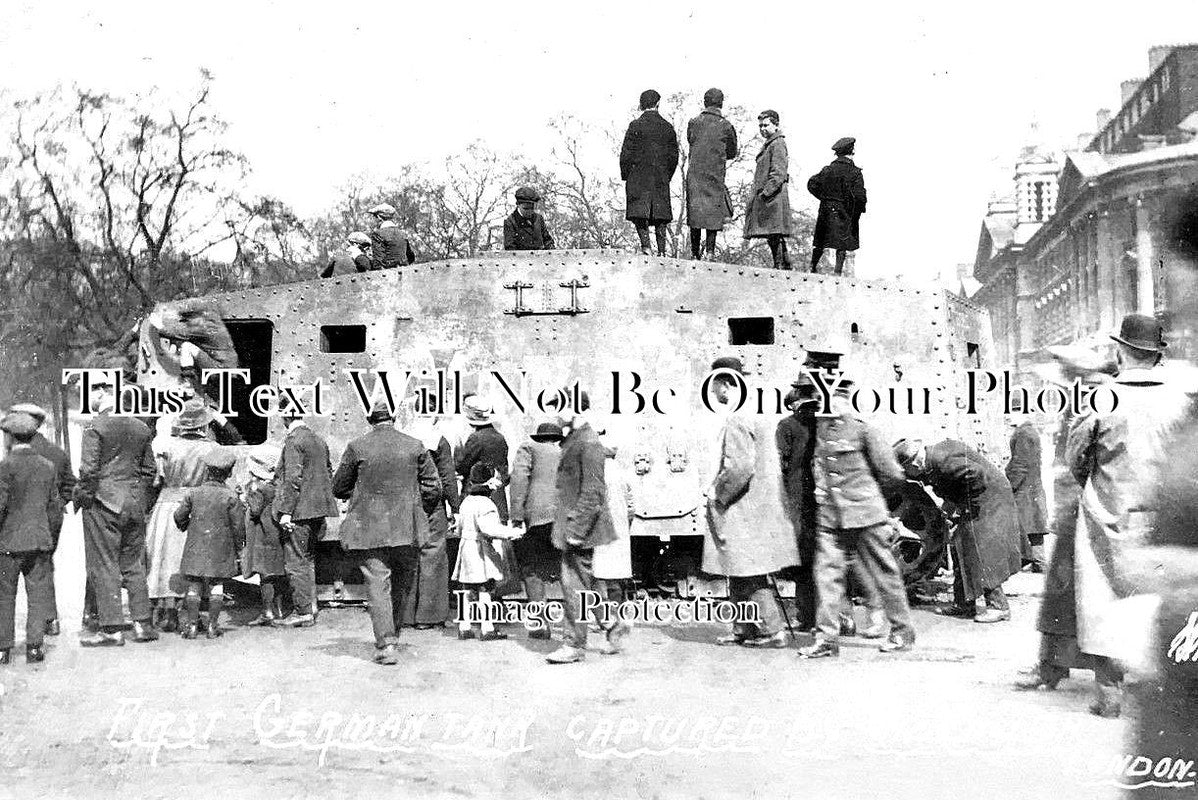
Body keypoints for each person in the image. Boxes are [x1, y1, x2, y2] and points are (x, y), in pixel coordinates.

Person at [1018, 314, 1189, 717]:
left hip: (1109, 513)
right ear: (1156, 356)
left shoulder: (1101, 400)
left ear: (1121, 351)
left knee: (1103, 600)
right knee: (1159, 598)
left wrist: (1099, 486)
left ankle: (1109, 693)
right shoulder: (1181, 400)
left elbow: (1076, 457)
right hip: (1165, 515)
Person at [797, 375, 915, 658]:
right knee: (826, 577)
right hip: (831, 518)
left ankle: (902, 632)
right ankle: (827, 640)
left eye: (827, 399)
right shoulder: (822, 430)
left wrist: (868, 498)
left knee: (884, 574)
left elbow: (892, 474)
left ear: (842, 399)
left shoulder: (864, 430)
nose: (823, 406)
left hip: (866, 515)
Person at [332, 400, 441, 664]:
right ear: (393, 418)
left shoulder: (357, 446)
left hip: (369, 527)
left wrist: (362, 494)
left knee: (378, 585)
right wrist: (415, 508)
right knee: (402, 584)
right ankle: (394, 635)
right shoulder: (415, 445)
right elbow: (433, 487)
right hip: (407, 527)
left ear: (370, 420)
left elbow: (339, 487)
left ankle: (386, 644)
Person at [702, 357, 799, 648]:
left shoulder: (737, 419)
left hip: (741, 507)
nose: (713, 392)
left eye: (715, 385)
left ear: (725, 384)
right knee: (739, 568)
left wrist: (717, 493)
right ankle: (743, 628)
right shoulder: (755, 413)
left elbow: (740, 468)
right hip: (757, 507)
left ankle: (771, 630)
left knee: (749, 571)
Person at [894, 437, 1021, 624]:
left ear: (914, 463)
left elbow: (976, 475)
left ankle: (998, 606)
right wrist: (951, 508)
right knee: (958, 546)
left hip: (987, 501)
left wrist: (965, 507)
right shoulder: (933, 459)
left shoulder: (941, 461)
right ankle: (963, 604)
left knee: (981, 552)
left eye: (908, 471)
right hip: (980, 499)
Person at [74, 373, 159, 647]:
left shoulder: (95, 427)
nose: (85, 399)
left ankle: (112, 628)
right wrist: (139, 500)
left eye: (86, 393)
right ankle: (143, 624)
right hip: (134, 503)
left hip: (103, 503)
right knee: (133, 564)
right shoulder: (141, 428)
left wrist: (85, 499)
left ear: (101, 392)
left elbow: (88, 472)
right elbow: (150, 471)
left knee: (104, 564)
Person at [546, 391, 627, 663]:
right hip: (573, 525)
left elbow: (594, 491)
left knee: (573, 586)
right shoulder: (576, 438)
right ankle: (612, 624)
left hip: (580, 528)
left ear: (575, 408)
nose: (554, 414)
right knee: (586, 583)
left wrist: (577, 530)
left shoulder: (588, 442)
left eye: (558, 407)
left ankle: (573, 645)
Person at [145, 399, 216, 633]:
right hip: (197, 505)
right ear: (203, 426)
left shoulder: (165, 447)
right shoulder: (211, 449)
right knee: (194, 558)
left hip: (166, 504)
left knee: (166, 558)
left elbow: (156, 480)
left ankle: (168, 611)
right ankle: (193, 613)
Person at [9, 402, 75, 637]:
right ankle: (50, 619)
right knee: (43, 566)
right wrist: (56, 505)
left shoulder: (15, 452)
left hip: (21, 520)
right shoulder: (56, 452)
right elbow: (70, 485)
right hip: (51, 517)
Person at [0, 411, 60, 665]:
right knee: (37, 595)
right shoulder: (47, 466)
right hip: (39, 541)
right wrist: (49, 539)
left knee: (4, 596)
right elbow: (55, 509)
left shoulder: (4, 467)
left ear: (10, 437)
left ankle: (3, 649)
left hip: (9, 542)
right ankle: (34, 647)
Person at [274, 401, 339, 628]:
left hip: (299, 512)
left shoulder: (294, 441)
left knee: (295, 561)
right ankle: (311, 606)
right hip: (318, 511)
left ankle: (303, 612)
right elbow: (328, 471)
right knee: (308, 559)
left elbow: (292, 478)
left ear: (285, 416)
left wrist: (285, 512)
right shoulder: (318, 440)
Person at [173, 448, 245, 639]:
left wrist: (186, 525)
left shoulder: (193, 493)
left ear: (207, 471)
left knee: (194, 584)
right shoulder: (231, 497)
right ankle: (213, 626)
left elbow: (179, 516)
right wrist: (240, 548)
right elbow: (238, 527)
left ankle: (192, 626)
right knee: (216, 584)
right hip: (220, 548)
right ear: (229, 473)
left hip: (195, 546)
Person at [453, 463, 523, 641]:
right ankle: (487, 627)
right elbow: (489, 529)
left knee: (468, 588)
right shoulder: (486, 504)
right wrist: (513, 533)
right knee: (485, 587)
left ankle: (464, 626)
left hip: (466, 547)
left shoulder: (466, 502)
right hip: (480, 550)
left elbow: (459, 528)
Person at [402, 414, 459, 630]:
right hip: (432, 505)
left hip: (406, 503)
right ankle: (428, 616)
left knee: (408, 554)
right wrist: (455, 507)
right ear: (435, 416)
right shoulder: (439, 441)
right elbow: (447, 477)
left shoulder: (404, 438)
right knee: (433, 554)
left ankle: (405, 614)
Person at [509, 420, 563, 639]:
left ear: (539, 438)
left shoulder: (528, 448)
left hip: (538, 519)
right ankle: (575, 627)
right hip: (565, 519)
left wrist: (516, 516)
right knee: (567, 571)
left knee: (532, 570)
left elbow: (519, 479)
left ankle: (540, 624)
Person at [619, 89, 679, 257]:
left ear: (641, 105)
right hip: (660, 177)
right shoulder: (667, 127)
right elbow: (674, 157)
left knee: (639, 213)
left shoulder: (635, 125)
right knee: (661, 215)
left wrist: (627, 175)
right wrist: (666, 175)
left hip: (638, 177)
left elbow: (626, 154)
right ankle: (662, 251)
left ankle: (646, 246)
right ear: (658, 104)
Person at [685, 88, 738, 260]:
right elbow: (732, 152)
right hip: (715, 173)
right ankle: (710, 252)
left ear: (704, 102)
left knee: (695, 212)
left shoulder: (694, 122)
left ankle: (694, 253)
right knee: (712, 213)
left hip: (695, 174)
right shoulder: (726, 125)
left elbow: (690, 140)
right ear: (721, 104)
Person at [807, 137, 867, 274]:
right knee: (842, 244)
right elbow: (860, 197)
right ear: (852, 151)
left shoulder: (827, 170)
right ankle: (837, 272)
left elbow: (812, 184)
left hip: (826, 209)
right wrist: (855, 210)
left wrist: (824, 198)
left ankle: (812, 267)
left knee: (820, 241)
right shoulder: (855, 173)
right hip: (844, 211)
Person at [242, 445, 287, 626]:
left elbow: (255, 511)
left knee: (265, 575)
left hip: (262, 535)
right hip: (276, 533)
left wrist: (246, 496)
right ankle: (279, 610)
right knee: (277, 573)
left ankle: (267, 612)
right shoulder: (278, 486)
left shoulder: (259, 488)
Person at [744, 110, 794, 269]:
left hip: (773, 197)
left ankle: (779, 266)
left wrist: (765, 193)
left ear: (776, 125)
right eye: (760, 126)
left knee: (774, 233)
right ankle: (785, 264)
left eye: (766, 125)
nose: (762, 129)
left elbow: (778, 173)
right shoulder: (770, 144)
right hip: (770, 196)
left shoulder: (777, 143)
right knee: (773, 234)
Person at [593, 426, 635, 616]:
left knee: (599, 574)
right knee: (616, 576)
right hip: (620, 528)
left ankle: (602, 616)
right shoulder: (622, 473)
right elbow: (631, 507)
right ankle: (617, 611)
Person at [1006, 407, 1048, 572]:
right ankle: (1038, 562)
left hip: (1024, 490)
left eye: (1011, 412)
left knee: (1021, 524)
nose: (1008, 416)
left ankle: (1027, 561)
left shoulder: (1023, 434)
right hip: (1032, 489)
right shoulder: (1030, 432)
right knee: (1033, 526)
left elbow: (1020, 464)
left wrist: (1009, 485)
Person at [456, 396, 510, 523]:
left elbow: (462, 466)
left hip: (478, 495)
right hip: (498, 497)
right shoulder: (500, 438)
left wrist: (458, 451)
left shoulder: (475, 438)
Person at [367, 203, 415, 268]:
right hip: (404, 271)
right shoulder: (402, 233)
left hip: (388, 273)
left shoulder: (377, 234)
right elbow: (411, 257)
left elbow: (378, 263)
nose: (374, 220)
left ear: (379, 217)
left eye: (374, 217)